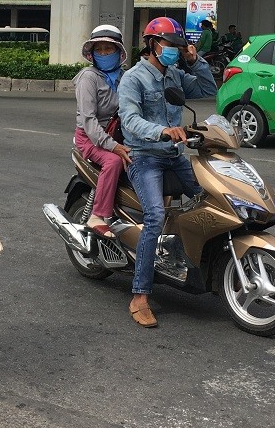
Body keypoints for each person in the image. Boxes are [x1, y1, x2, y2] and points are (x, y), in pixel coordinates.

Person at [118, 17, 217, 328]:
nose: (174, 50)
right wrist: (162, 131)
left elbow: (207, 88)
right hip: (145, 157)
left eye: (178, 46)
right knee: (155, 217)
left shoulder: (175, 74)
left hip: (174, 156)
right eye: (170, 45)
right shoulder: (133, 79)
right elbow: (130, 120)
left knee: (211, 196)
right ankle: (139, 295)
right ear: (153, 45)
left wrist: (194, 59)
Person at [73, 24, 130, 238]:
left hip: (119, 135)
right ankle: (98, 215)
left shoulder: (126, 78)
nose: (104, 53)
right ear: (93, 54)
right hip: (91, 138)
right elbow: (88, 120)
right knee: (114, 161)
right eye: (100, 49)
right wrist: (113, 147)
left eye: (109, 49)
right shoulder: (88, 77)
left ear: (119, 52)